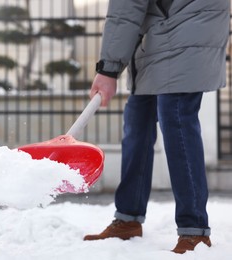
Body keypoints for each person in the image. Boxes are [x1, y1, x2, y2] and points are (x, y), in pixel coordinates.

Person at [83, 0, 230, 254]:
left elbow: (126, 7)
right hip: (159, 27)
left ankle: (193, 229)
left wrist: (108, 69)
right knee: (138, 118)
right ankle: (128, 218)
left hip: (189, 19)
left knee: (176, 114)